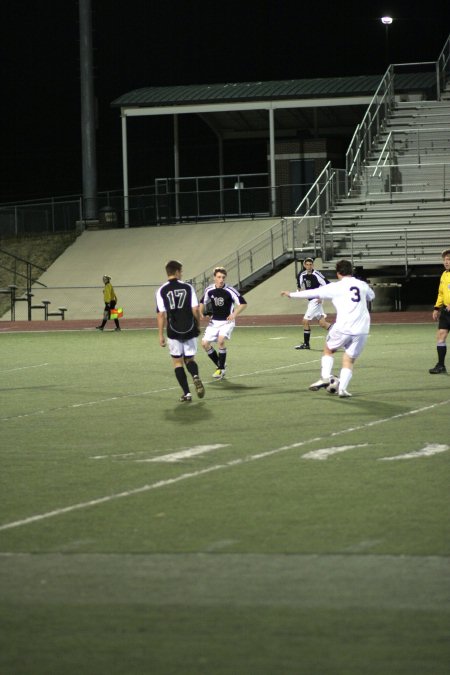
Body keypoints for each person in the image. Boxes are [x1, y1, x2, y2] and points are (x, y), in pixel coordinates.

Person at [281, 259, 375, 398]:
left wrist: (291, 294)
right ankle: (342, 389)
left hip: (343, 326)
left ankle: (325, 376)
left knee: (328, 349)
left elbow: (311, 292)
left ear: (338, 273)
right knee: (349, 360)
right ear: (351, 271)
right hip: (362, 329)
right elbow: (371, 297)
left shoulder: (335, 287)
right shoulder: (362, 285)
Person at [156, 260, 205, 402]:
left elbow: (161, 314)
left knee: (177, 362)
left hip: (173, 330)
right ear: (176, 271)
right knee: (190, 359)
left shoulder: (161, 290)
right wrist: (197, 325)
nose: (182, 274)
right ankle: (195, 376)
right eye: (181, 271)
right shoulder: (188, 287)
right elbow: (195, 309)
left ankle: (187, 394)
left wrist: (160, 335)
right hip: (189, 328)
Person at [199, 266, 247, 380]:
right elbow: (202, 302)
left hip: (227, 322)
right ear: (214, 278)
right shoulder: (209, 290)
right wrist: (201, 313)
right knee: (204, 344)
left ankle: (220, 369)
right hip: (214, 322)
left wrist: (234, 314)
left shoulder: (230, 290)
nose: (221, 280)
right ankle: (220, 364)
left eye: (223, 277)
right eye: (219, 277)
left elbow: (243, 303)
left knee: (221, 341)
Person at [293, 257, 331, 349]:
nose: (309, 266)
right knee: (322, 323)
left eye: (311, 264)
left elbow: (327, 284)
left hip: (316, 300)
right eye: (307, 264)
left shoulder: (317, 274)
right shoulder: (302, 275)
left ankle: (306, 344)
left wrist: (321, 296)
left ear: (313, 265)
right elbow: (299, 286)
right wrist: (296, 294)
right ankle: (341, 336)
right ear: (304, 265)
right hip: (311, 300)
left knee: (305, 321)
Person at [429, 248, 450, 374]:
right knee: (441, 335)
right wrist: (436, 308)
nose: (446, 262)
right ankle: (441, 365)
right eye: (445, 260)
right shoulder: (444, 275)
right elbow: (441, 294)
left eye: (449, 259)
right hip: (446, 312)